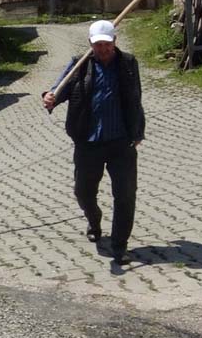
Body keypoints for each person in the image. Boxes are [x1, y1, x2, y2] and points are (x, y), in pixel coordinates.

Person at [41, 19, 145, 264]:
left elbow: (135, 98)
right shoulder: (79, 65)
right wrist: (49, 97)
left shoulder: (128, 63)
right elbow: (58, 91)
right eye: (98, 45)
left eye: (107, 44)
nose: (103, 49)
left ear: (114, 42)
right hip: (88, 142)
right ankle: (94, 219)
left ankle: (119, 246)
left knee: (125, 195)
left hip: (121, 142)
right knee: (83, 192)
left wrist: (137, 131)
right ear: (90, 43)